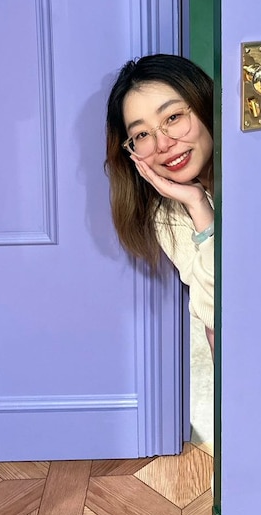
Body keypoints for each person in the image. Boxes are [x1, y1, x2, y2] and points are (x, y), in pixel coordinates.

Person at [104, 54, 215, 353]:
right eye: (141, 134)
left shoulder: (260, 176)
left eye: (173, 118)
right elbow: (218, 318)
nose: (163, 144)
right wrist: (198, 206)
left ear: (204, 103)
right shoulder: (168, 213)